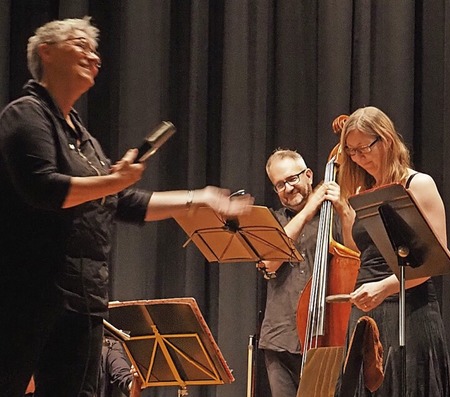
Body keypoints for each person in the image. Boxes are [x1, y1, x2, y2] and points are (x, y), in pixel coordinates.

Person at [0, 17, 252, 397]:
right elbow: (45, 190)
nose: (94, 56)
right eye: (80, 44)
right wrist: (113, 181)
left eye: (95, 49)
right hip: (29, 296)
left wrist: (197, 198)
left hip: (84, 299)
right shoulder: (25, 115)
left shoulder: (82, 136)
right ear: (45, 53)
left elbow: (124, 203)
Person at [335, 106, 450, 396]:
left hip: (408, 307)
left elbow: (433, 261)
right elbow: (362, 252)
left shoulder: (419, 184)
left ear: (386, 140)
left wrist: (385, 287)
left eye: (364, 147)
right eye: (351, 151)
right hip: (366, 308)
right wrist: (343, 213)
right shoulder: (364, 192)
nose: (358, 157)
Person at [258, 149, 355, 397]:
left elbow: (357, 254)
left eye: (293, 179)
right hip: (281, 337)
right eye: (280, 185)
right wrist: (310, 209)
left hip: (326, 335)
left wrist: (344, 209)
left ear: (309, 175)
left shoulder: (333, 215)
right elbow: (270, 261)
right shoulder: (273, 220)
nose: (288, 188)